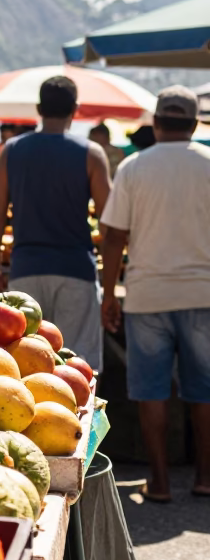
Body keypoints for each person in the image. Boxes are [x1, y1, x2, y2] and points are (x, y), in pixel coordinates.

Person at [101, 86, 210, 502]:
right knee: (204, 390)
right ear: (196, 124)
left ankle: (160, 482)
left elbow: (114, 239)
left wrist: (109, 294)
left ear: (157, 123)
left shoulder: (133, 167)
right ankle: (204, 477)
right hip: (203, 293)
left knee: (152, 391)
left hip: (147, 295)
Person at [0, 76, 110, 371]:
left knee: (27, 365)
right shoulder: (91, 153)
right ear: (75, 109)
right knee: (80, 366)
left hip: (26, 269)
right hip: (76, 270)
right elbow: (109, 221)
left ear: (39, 108)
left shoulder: (12, 150)